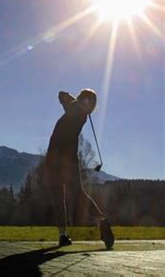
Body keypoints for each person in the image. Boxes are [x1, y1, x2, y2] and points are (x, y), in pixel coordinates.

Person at [45, 89, 114, 249]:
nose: (85, 103)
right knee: (58, 195)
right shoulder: (74, 108)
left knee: (77, 194)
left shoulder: (79, 114)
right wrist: (72, 99)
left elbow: (66, 99)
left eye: (88, 102)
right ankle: (63, 235)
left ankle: (101, 223)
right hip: (54, 158)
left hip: (66, 159)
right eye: (85, 100)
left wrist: (75, 100)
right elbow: (62, 95)